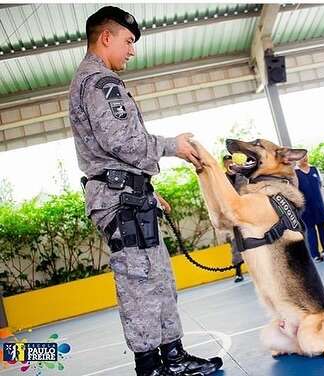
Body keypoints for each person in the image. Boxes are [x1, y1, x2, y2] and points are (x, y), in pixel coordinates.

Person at [69, 7, 222, 376]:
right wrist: (174, 146)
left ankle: (172, 357)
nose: (131, 50)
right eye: (128, 41)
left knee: (157, 278)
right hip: (119, 201)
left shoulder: (93, 81)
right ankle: (151, 366)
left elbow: (113, 152)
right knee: (139, 284)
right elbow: (122, 140)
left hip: (129, 198)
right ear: (106, 37)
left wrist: (146, 193)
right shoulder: (100, 82)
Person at [296, 154, 324, 262]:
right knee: (311, 231)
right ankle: (315, 255)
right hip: (306, 208)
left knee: (322, 229)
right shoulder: (295, 173)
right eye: (301, 156)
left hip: (318, 205)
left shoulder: (314, 169)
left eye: (306, 156)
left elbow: (320, 185)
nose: (304, 158)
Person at [223, 155, 248, 283]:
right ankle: (238, 273)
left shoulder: (243, 175)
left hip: (246, 213)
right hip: (232, 216)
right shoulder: (221, 179)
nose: (230, 164)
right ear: (224, 165)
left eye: (231, 162)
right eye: (227, 163)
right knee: (235, 244)